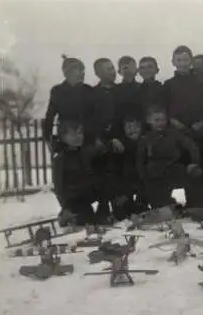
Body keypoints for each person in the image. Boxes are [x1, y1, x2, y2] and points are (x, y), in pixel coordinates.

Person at [162, 45, 203, 208]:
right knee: (184, 166)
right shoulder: (169, 84)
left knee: (198, 166)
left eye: (185, 60)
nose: (182, 63)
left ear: (191, 61)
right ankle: (184, 203)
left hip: (198, 132)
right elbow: (165, 107)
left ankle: (198, 203)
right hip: (178, 133)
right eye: (179, 60)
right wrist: (172, 121)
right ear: (173, 62)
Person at [136, 106, 203, 209]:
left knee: (195, 176)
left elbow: (191, 146)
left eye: (162, 120)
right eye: (156, 120)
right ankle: (169, 205)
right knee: (159, 204)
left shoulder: (174, 134)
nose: (160, 123)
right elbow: (140, 160)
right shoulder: (146, 138)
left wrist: (194, 162)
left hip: (174, 169)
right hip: (155, 174)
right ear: (149, 121)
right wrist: (143, 176)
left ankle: (194, 206)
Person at [52, 121, 105, 227]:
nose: (78, 137)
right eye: (73, 134)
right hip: (73, 200)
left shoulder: (87, 153)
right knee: (84, 221)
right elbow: (58, 187)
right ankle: (66, 216)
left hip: (87, 197)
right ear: (63, 137)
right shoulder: (60, 159)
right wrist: (66, 206)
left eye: (80, 133)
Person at [90, 57, 124, 223]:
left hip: (121, 141)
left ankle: (120, 207)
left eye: (112, 68)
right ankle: (103, 207)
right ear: (98, 73)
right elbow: (89, 119)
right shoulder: (93, 94)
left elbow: (126, 116)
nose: (113, 72)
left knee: (119, 174)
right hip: (102, 142)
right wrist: (99, 138)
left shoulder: (120, 91)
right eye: (108, 69)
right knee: (103, 174)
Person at [43, 56, 94, 153]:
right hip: (66, 139)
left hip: (87, 140)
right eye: (78, 70)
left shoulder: (88, 90)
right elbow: (50, 116)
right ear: (67, 73)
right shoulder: (58, 91)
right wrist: (48, 138)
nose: (82, 73)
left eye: (83, 70)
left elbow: (95, 115)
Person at [111, 114, 149, 220]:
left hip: (143, 186)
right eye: (128, 127)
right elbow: (117, 172)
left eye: (136, 126)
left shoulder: (146, 143)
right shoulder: (119, 147)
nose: (132, 130)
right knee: (121, 215)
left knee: (141, 211)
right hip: (125, 187)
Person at [114, 55, 143, 122]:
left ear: (137, 70)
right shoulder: (115, 89)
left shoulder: (142, 87)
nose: (129, 70)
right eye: (125, 68)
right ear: (119, 71)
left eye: (132, 67)